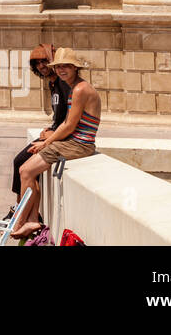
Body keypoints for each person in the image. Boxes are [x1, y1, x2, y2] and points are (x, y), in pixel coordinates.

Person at [13, 48, 101, 239]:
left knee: (25, 170)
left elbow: (69, 125)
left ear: (75, 68)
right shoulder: (74, 87)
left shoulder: (79, 89)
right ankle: (32, 218)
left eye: (66, 66)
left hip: (79, 144)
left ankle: (22, 221)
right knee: (26, 169)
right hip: (73, 141)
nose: (61, 70)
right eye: (59, 66)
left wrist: (46, 143)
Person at [7, 44, 71, 210]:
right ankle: (21, 209)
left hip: (60, 137)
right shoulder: (53, 84)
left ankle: (19, 210)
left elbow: (70, 118)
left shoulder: (63, 84)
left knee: (21, 161)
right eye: (37, 63)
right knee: (21, 163)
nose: (41, 66)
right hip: (53, 133)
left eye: (44, 61)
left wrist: (52, 133)